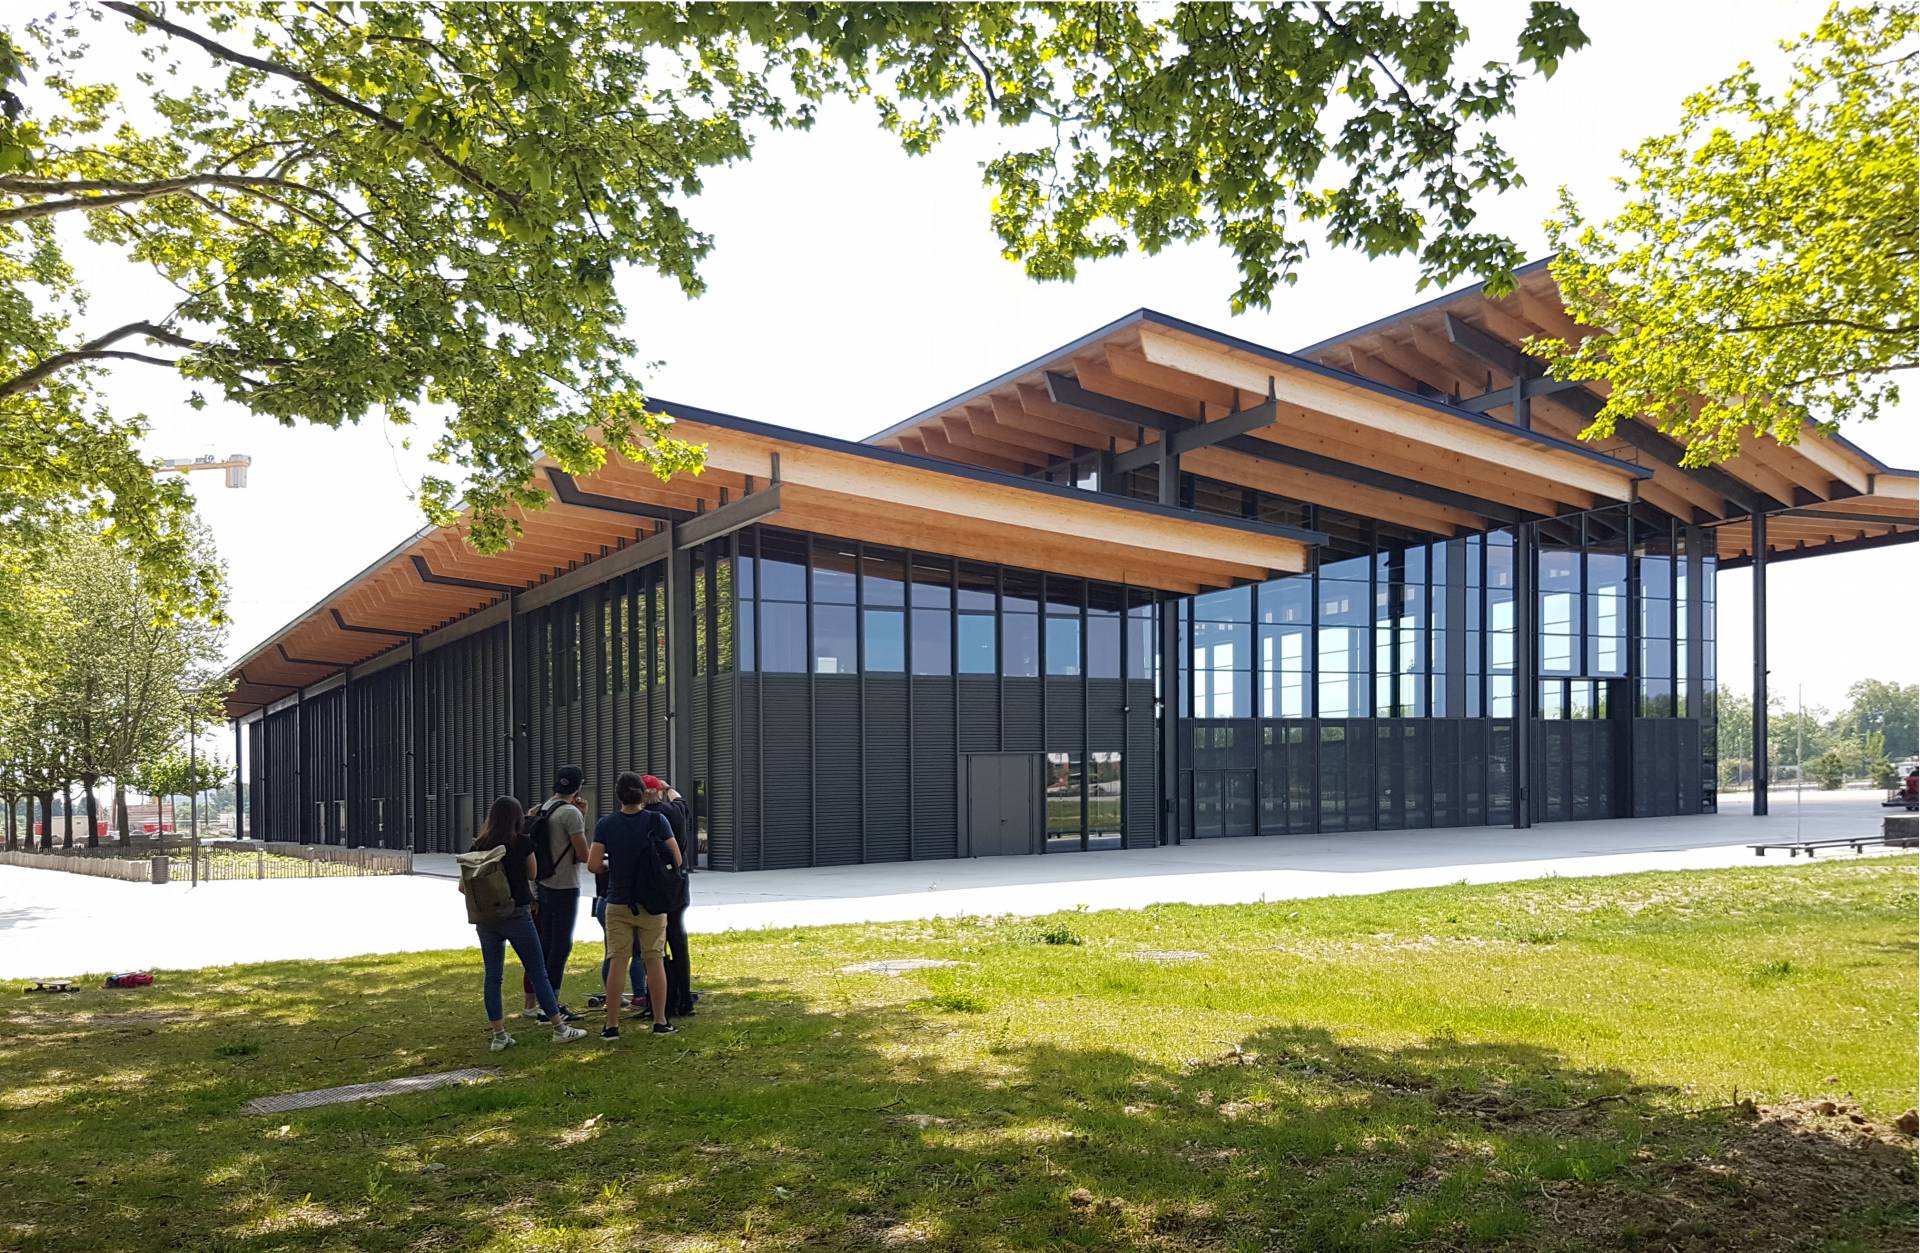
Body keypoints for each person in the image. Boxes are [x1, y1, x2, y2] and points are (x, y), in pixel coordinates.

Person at [460, 795, 587, 1051]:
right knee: (537, 970)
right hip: (517, 913)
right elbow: (533, 873)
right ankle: (559, 1028)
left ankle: (499, 1035)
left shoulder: (478, 845)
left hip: (486, 919)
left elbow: (464, 886)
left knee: (493, 976)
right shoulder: (522, 843)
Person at [588, 770, 682, 1038]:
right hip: (652, 902)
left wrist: (612, 863)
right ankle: (661, 1021)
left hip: (618, 901)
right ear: (643, 794)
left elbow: (594, 865)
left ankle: (612, 1025)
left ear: (618, 796)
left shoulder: (606, 825)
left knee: (618, 961)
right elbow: (676, 859)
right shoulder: (657, 820)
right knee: (654, 960)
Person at [524, 765, 590, 1023]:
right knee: (561, 946)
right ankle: (549, 1005)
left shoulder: (543, 808)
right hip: (565, 885)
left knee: (546, 944)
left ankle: (542, 1001)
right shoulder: (571, 813)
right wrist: (583, 817)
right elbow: (583, 854)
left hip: (543, 883)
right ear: (578, 787)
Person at [644, 775, 696, 1018]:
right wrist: (669, 788)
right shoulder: (674, 812)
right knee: (679, 940)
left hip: (651, 887)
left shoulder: (642, 818)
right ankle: (684, 998)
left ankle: (658, 1000)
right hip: (676, 882)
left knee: (655, 945)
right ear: (659, 791)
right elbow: (682, 802)